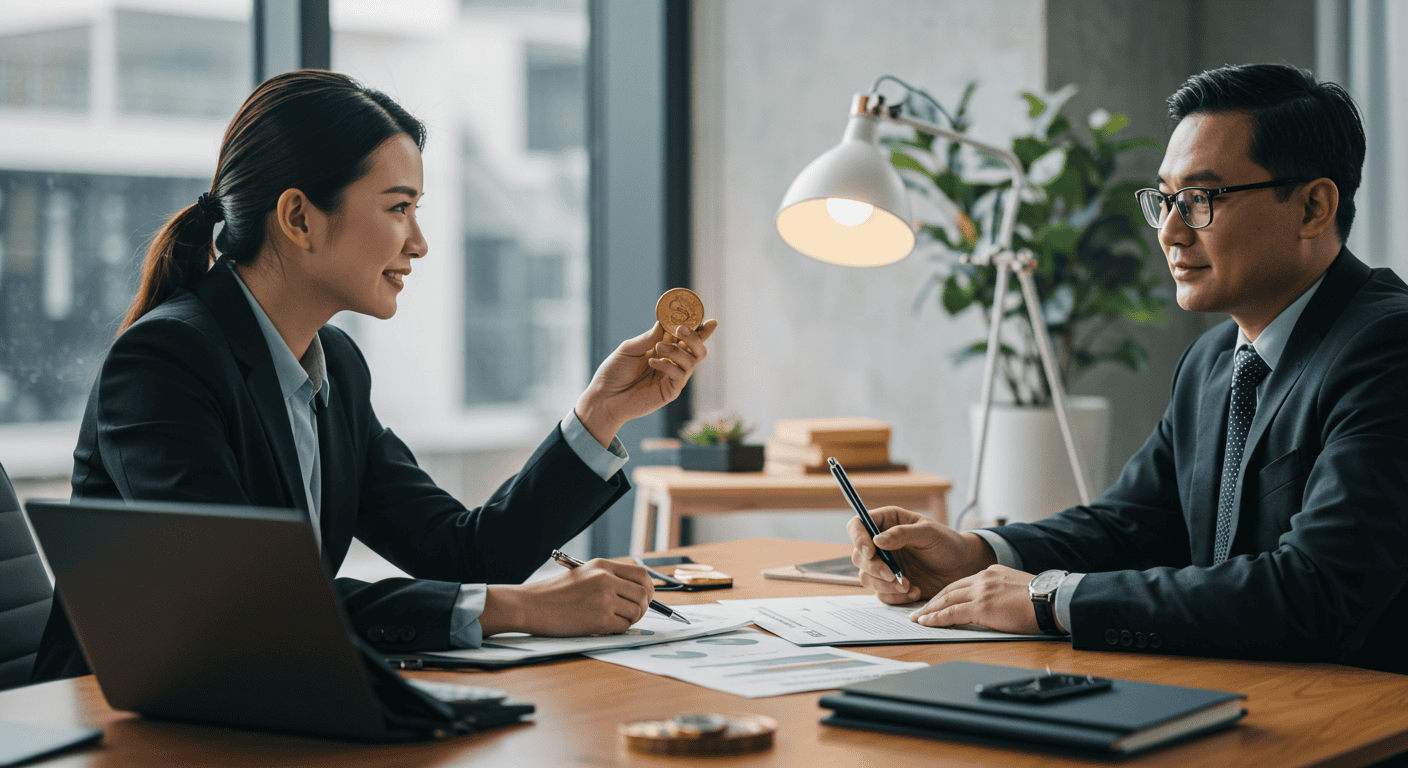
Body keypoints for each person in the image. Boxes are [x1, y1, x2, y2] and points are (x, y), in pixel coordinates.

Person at [32, 69, 716, 682]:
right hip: (120, 723)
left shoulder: (338, 370)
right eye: (399, 208)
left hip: (264, 707)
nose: (418, 243)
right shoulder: (164, 363)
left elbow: (462, 551)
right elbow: (243, 603)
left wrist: (601, 413)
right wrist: (522, 609)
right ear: (300, 217)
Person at [849, 63, 1408, 674]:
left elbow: (1315, 588)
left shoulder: (1387, 347)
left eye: (1200, 200)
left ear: (1312, 207)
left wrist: (1048, 599)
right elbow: (1132, 525)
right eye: (1166, 199)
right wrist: (975, 552)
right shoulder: (1215, 360)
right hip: (1227, 689)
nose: (1169, 232)